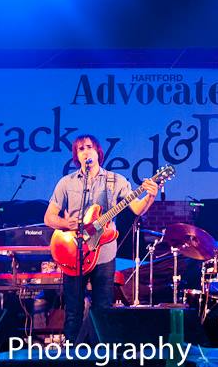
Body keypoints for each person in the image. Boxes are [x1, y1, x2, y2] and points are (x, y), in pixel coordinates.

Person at [44, 134, 159, 343]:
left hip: (104, 254)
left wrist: (150, 195)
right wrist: (66, 224)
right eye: (80, 149)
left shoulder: (116, 181)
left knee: (103, 309)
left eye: (89, 147)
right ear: (76, 156)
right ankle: (71, 353)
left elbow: (137, 208)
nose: (85, 151)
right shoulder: (66, 183)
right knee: (73, 310)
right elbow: (49, 217)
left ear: (98, 152)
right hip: (74, 253)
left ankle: (100, 353)